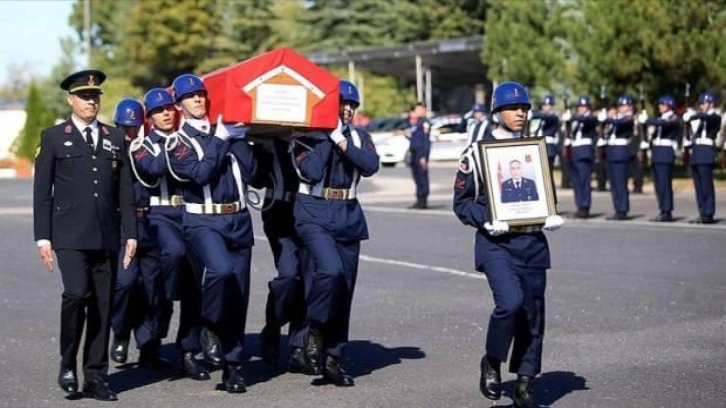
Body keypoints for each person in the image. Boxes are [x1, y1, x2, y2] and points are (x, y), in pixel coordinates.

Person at [453, 81, 563, 408]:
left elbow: (543, 196)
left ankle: (526, 382)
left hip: (532, 242)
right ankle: (492, 359)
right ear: (497, 112)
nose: (521, 113)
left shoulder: (534, 151)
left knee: (532, 314)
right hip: (496, 244)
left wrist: (550, 215)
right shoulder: (477, 152)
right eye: (514, 108)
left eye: (525, 108)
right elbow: (461, 203)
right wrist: (488, 218)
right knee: (511, 303)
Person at [33, 69, 136, 401]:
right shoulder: (53, 137)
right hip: (69, 236)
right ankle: (67, 364)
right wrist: (43, 237)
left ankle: (95, 376)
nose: (91, 101)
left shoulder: (114, 137)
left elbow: (124, 191)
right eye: (84, 96)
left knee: (103, 308)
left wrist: (130, 233)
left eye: (95, 96)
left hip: (105, 235)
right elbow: (42, 193)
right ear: (71, 100)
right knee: (77, 294)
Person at [166, 73, 258, 393]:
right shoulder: (176, 142)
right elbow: (201, 174)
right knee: (220, 272)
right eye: (191, 97)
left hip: (239, 218)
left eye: (202, 95)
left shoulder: (228, 133)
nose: (198, 101)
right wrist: (221, 139)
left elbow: (254, 175)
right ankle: (210, 325)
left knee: (240, 293)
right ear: (179, 105)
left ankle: (233, 368)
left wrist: (242, 139)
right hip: (202, 221)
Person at [292, 79, 379, 386]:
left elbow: (370, 165)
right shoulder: (306, 137)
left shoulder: (359, 136)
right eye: (342, 104)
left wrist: (342, 141)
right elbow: (310, 171)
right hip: (313, 210)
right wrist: (328, 139)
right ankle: (315, 326)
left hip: (348, 213)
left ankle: (333, 358)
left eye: (352, 105)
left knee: (345, 288)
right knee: (329, 272)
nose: (347, 110)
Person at [131, 87, 211, 380]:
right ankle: (149, 341)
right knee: (169, 266)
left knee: (194, 286)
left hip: (190, 212)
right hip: (159, 214)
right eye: (158, 111)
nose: (165, 114)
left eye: (168, 109)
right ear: (149, 117)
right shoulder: (141, 145)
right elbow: (151, 168)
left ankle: (188, 352)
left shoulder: (187, 139)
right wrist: (179, 151)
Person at [109, 98, 168, 369]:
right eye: (124, 127)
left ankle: (149, 345)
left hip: (150, 220)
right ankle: (120, 332)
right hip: (122, 224)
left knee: (153, 288)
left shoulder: (145, 149)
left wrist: (138, 148)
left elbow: (156, 172)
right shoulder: (109, 152)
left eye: (133, 127)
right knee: (125, 282)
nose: (129, 132)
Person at [252, 132, 312, 373]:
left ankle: (298, 346)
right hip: (278, 210)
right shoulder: (267, 143)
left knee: (308, 278)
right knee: (289, 274)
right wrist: (262, 149)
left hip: (309, 211)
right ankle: (273, 326)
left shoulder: (310, 140)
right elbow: (255, 179)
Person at [637, 95, 681, 222]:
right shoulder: (660, 119)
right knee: (658, 185)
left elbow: (663, 124)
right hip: (657, 153)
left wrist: (647, 120)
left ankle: (667, 211)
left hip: (665, 153)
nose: (660, 106)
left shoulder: (673, 118)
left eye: (662, 104)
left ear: (669, 106)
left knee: (664, 184)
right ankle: (662, 209)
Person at [683, 91, 722, 224]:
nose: (701, 106)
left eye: (703, 103)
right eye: (700, 103)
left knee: (706, 186)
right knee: (698, 187)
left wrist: (692, 115)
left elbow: (707, 118)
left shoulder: (715, 117)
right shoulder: (700, 119)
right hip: (697, 152)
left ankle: (709, 213)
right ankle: (702, 212)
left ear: (711, 104)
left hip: (706, 152)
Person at [598, 95, 635, 220]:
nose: (622, 108)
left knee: (620, 183)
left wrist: (607, 119)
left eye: (625, 105)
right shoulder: (616, 118)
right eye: (621, 106)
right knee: (613, 184)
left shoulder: (628, 118)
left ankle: (623, 209)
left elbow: (620, 123)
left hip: (620, 152)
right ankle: (617, 208)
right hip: (611, 152)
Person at [562, 96, 599, 219]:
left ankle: (584, 207)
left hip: (584, 152)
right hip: (575, 151)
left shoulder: (590, 118)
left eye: (583, 107)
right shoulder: (577, 120)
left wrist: (571, 117)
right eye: (579, 107)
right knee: (577, 182)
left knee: (584, 181)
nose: (581, 109)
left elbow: (589, 121)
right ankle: (579, 206)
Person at [530, 95, 561, 179]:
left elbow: (545, 117)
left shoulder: (554, 117)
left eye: (548, 105)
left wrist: (531, 113)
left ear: (552, 106)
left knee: (548, 176)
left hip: (549, 148)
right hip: (538, 146)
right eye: (544, 105)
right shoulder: (540, 118)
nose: (545, 107)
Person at [407, 102, 431, 209]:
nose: (416, 111)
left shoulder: (424, 123)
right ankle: (419, 199)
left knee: (422, 177)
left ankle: (422, 200)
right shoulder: (416, 123)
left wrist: (424, 156)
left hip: (420, 154)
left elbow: (426, 141)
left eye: (419, 109)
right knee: (416, 176)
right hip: (414, 153)